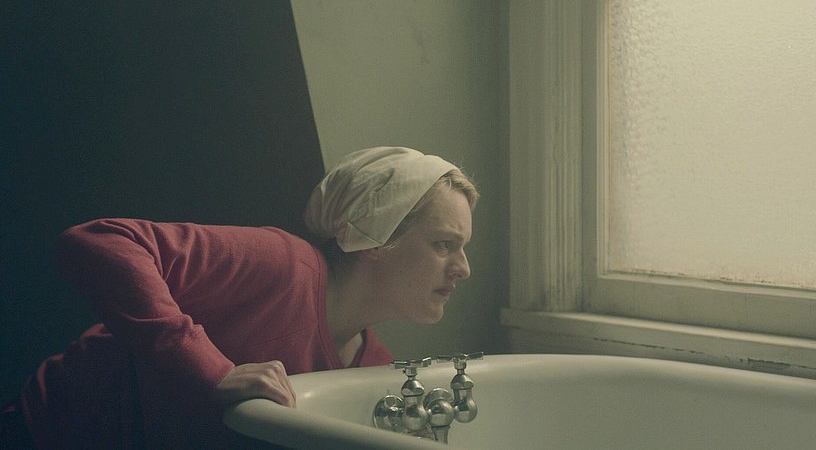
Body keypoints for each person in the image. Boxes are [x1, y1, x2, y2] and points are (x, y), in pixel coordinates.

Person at [0, 147, 478, 449]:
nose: (464, 268)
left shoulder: (376, 367)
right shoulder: (283, 265)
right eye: (444, 244)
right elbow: (100, 241)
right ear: (376, 235)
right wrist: (212, 370)